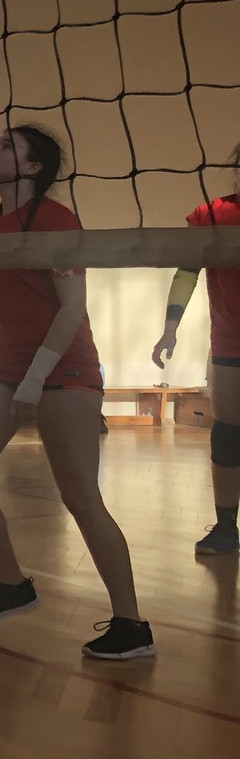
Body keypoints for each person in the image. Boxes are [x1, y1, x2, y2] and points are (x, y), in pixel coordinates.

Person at [0, 126, 153, 660]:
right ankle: (12, 584)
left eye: (7, 146)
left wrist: (36, 378)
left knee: (80, 498)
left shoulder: (55, 221)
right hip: (2, 366)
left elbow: (70, 307)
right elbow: (9, 302)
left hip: (64, 371)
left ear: (32, 168)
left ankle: (131, 625)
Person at [152, 139, 240, 556]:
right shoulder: (211, 216)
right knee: (227, 437)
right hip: (231, 345)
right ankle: (225, 528)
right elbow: (187, 271)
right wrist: (170, 328)